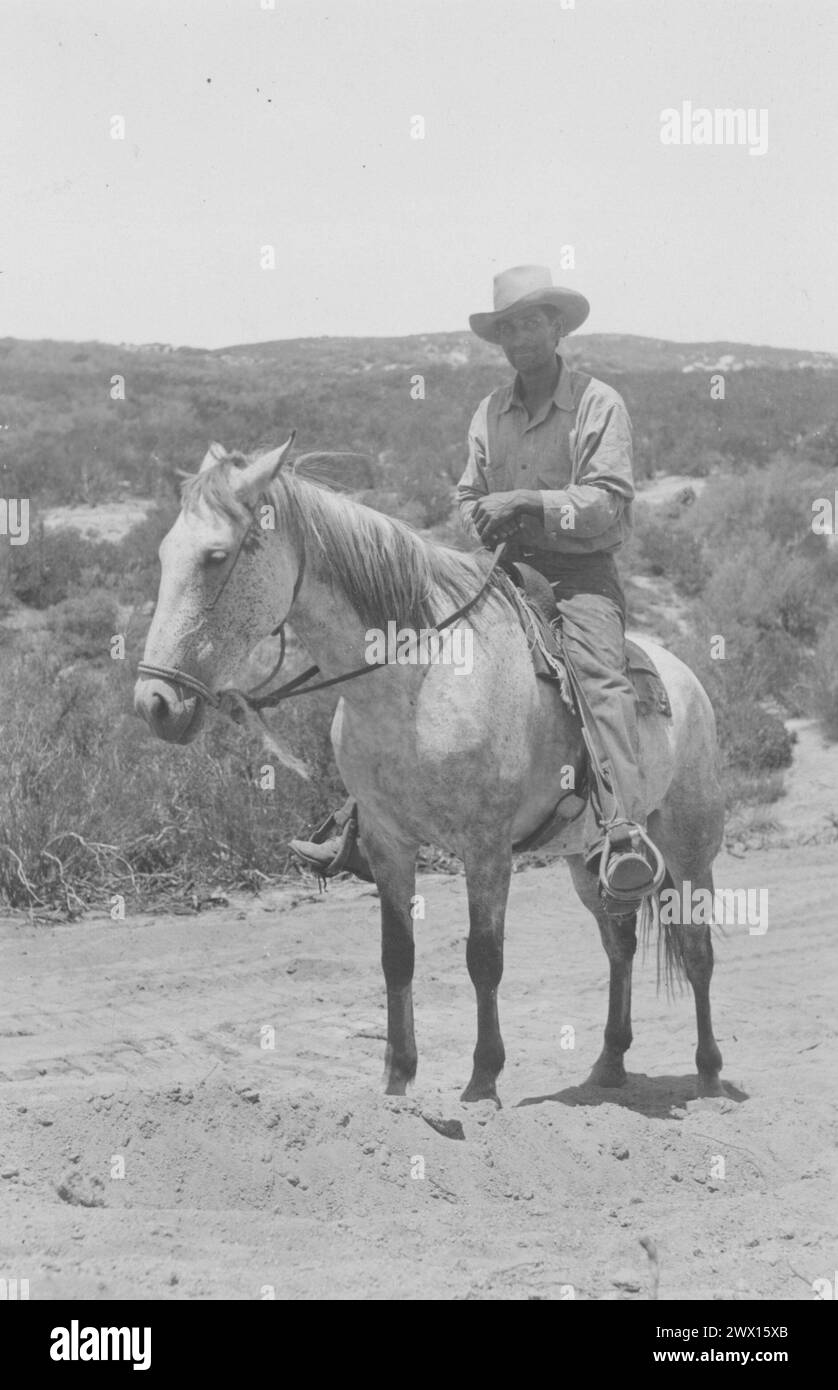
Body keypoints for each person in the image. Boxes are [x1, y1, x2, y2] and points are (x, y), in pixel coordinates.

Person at [290, 264, 659, 905]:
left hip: (580, 574)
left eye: (532, 322)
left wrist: (525, 502)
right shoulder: (490, 412)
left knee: (598, 675)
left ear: (556, 326)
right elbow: (468, 491)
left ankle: (621, 829)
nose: (520, 335)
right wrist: (482, 514)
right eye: (508, 326)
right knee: (411, 659)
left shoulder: (598, 403)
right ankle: (362, 820)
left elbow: (608, 502)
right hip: (504, 567)